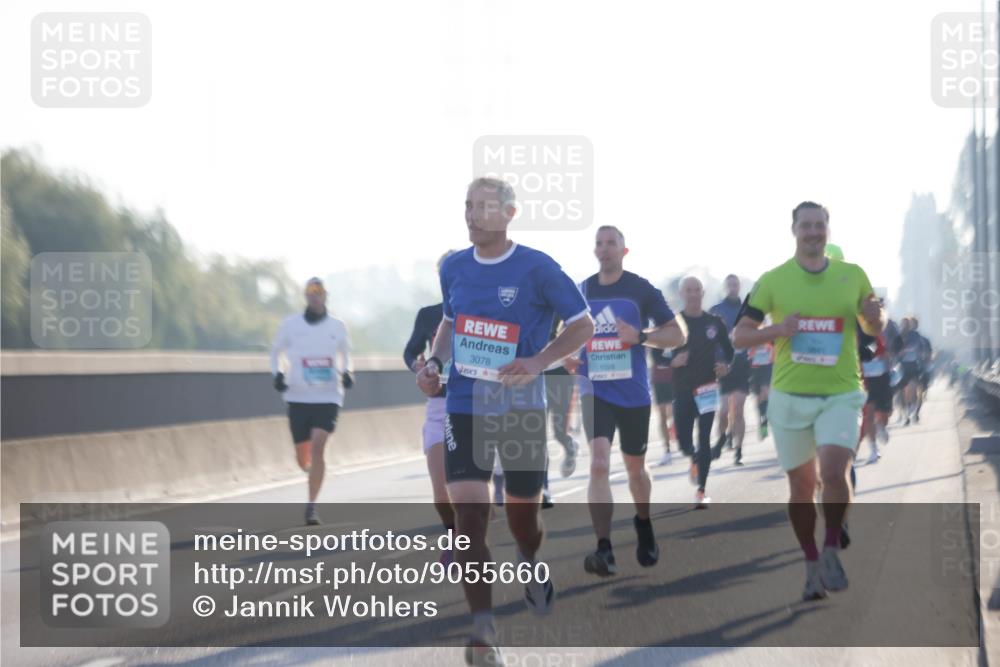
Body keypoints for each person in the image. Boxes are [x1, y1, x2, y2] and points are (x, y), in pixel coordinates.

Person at [416, 177, 594, 666]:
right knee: (469, 518)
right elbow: (451, 324)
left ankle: (531, 561)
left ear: (510, 213)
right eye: (467, 206)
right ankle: (482, 632)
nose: (472, 215)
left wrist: (539, 362)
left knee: (523, 523)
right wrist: (434, 364)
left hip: (521, 411)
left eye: (483, 207)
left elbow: (583, 325)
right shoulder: (454, 267)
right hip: (466, 406)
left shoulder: (537, 267)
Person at [733, 201, 884, 601]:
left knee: (834, 471)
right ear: (794, 230)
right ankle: (812, 562)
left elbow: (873, 324)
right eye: (806, 226)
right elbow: (740, 336)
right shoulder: (773, 280)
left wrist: (874, 317)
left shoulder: (852, 276)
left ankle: (832, 545)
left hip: (841, 393)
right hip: (790, 396)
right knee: (801, 488)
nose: (813, 232)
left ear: (828, 230)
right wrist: (779, 329)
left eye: (820, 225)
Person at [577, 225, 685, 576]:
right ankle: (604, 549)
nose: (605, 249)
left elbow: (677, 334)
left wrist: (639, 336)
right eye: (599, 244)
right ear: (594, 251)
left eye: (612, 244)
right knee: (598, 464)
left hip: (633, 393)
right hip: (596, 391)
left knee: (635, 468)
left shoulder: (640, 289)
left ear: (624, 251)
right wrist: (566, 356)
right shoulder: (582, 291)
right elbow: (564, 333)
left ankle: (643, 521)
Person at [270, 277, 354, 526]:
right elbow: (275, 352)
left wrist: (348, 372)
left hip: (328, 396)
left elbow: (346, 355)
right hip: (297, 396)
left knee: (319, 447)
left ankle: (311, 506)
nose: (315, 296)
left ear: (325, 295)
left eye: (319, 292)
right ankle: (310, 472)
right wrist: (277, 375)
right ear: (305, 296)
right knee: (302, 457)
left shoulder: (338, 326)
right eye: (310, 292)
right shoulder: (291, 325)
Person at [403, 251, 457, 561]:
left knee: (469, 492)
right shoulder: (429, 315)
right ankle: (452, 537)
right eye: (445, 273)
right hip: (439, 406)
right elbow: (409, 352)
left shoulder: (480, 313)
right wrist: (418, 366)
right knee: (441, 490)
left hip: (477, 407)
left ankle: (467, 541)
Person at [671, 276, 734, 508]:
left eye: (697, 289)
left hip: (707, 386)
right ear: (682, 294)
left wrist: (726, 365)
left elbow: (729, 351)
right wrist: (672, 360)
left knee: (704, 438)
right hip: (682, 388)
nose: (693, 294)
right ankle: (694, 457)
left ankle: (701, 491)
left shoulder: (714, 322)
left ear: (703, 293)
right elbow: (659, 353)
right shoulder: (674, 322)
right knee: (683, 442)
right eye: (689, 290)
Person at [710, 275, 750, 465]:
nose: (733, 288)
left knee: (740, 408)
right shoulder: (717, 311)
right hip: (723, 365)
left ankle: (739, 451)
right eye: (730, 285)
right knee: (724, 410)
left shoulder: (748, 310)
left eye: (736, 285)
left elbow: (756, 332)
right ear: (726, 287)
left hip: (742, 363)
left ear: (739, 287)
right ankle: (722, 437)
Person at [650, 346, 677, 465]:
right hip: (659, 380)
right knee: (662, 416)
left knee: (673, 413)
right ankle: (667, 450)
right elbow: (654, 356)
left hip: (675, 379)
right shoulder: (655, 336)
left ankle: (675, 428)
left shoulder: (675, 334)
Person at [749, 337, 774, 443]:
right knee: (758, 398)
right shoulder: (751, 331)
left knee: (765, 393)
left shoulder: (768, 329)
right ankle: (762, 420)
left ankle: (765, 420)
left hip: (767, 367)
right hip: (755, 369)